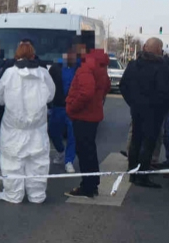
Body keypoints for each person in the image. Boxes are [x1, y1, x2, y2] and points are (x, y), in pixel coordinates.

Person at [0, 42, 55, 203]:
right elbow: (51, 95)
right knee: (38, 162)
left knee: (12, 160)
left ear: (17, 55)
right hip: (37, 127)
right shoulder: (43, 73)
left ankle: (13, 194)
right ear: (33, 55)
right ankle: (37, 195)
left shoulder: (9, 73)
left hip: (13, 127)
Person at [119, 38, 169, 188]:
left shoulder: (133, 65)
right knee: (148, 144)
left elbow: (123, 86)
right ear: (157, 50)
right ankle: (142, 176)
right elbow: (164, 92)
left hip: (137, 110)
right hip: (154, 112)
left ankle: (133, 173)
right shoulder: (161, 67)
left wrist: (133, 102)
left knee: (136, 140)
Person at [65, 48, 110, 198]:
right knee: (90, 151)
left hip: (83, 116)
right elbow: (106, 86)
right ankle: (92, 183)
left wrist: (71, 107)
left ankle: (87, 187)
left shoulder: (86, 67)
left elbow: (86, 92)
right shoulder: (100, 66)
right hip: (93, 114)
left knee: (84, 152)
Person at [48, 44, 80, 173]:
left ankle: (69, 161)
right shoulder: (55, 68)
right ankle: (60, 151)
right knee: (53, 131)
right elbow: (48, 85)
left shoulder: (79, 68)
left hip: (73, 108)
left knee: (72, 135)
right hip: (58, 106)